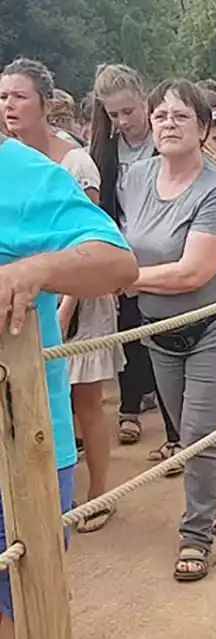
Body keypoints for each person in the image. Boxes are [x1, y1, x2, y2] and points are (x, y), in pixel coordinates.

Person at [0, 130, 137, 638]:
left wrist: (33, 270)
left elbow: (116, 262)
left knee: (22, 609)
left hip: (18, 439)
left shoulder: (22, 174)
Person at [120, 79, 216, 582]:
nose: (169, 124)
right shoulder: (135, 178)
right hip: (159, 327)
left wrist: (123, 280)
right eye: (161, 116)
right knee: (192, 427)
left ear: (202, 128)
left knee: (195, 433)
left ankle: (195, 536)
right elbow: (123, 242)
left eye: (181, 116)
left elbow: (193, 273)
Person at [0, 57, 128, 533]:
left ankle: (100, 490)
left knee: (25, 599)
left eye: (17, 96)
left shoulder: (37, 170)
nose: (9, 104)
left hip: (20, 426)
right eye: (4, 95)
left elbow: (115, 260)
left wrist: (33, 272)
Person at [89, 63, 180, 462]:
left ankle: (175, 428)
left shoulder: (167, 142)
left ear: (144, 101)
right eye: (113, 114)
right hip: (123, 254)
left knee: (166, 338)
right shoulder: (105, 150)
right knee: (128, 334)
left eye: (128, 111)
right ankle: (129, 409)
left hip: (165, 254)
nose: (122, 121)